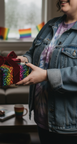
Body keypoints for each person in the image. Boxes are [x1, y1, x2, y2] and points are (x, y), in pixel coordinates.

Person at [16, 0, 77, 144]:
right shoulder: (51, 24)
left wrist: (46, 76)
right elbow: (33, 52)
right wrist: (24, 59)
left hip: (69, 126)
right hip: (43, 119)